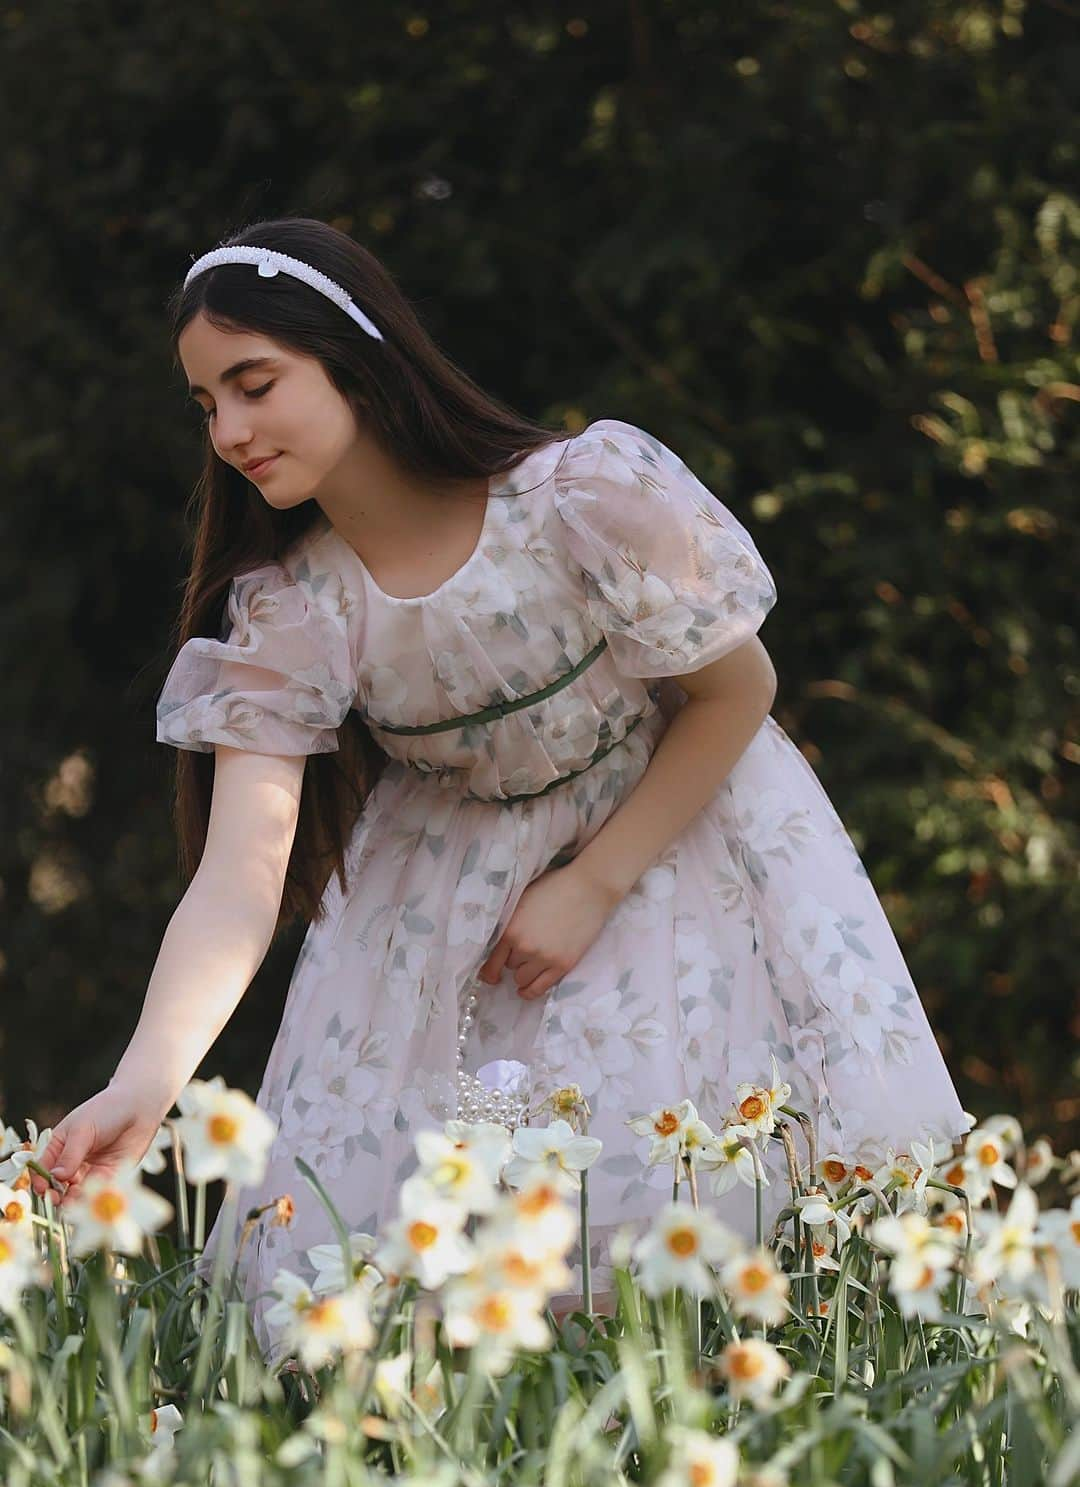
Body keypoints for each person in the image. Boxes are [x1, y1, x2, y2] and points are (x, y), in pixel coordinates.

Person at [33, 215, 971, 1360]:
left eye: (254, 383)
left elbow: (740, 691)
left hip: (675, 852)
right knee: (442, 1272)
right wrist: (148, 1079)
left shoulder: (577, 496)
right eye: (205, 404)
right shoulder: (294, 607)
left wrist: (593, 884)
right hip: (446, 909)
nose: (228, 431)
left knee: (712, 1208)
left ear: (358, 360)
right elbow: (241, 874)